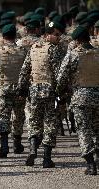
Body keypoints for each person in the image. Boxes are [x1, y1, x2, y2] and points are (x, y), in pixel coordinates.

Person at [19, 21, 65, 168]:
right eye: (56, 35)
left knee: (34, 121)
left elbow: (25, 69)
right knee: (50, 123)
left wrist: (22, 88)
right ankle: (46, 158)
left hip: (34, 90)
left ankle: (32, 149)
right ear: (47, 35)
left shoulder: (34, 47)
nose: (59, 37)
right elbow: (59, 74)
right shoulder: (54, 50)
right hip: (49, 91)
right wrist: (62, 93)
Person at [57, 26, 99, 175]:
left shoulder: (72, 55)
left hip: (81, 98)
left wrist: (59, 92)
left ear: (77, 40)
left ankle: (91, 164)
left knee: (83, 130)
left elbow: (61, 78)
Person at [0, 24, 26, 158]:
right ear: (15, 36)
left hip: (3, 89)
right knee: (18, 116)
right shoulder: (23, 51)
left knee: (4, 117)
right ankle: (17, 144)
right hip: (19, 89)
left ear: (3, 37)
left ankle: (4, 146)